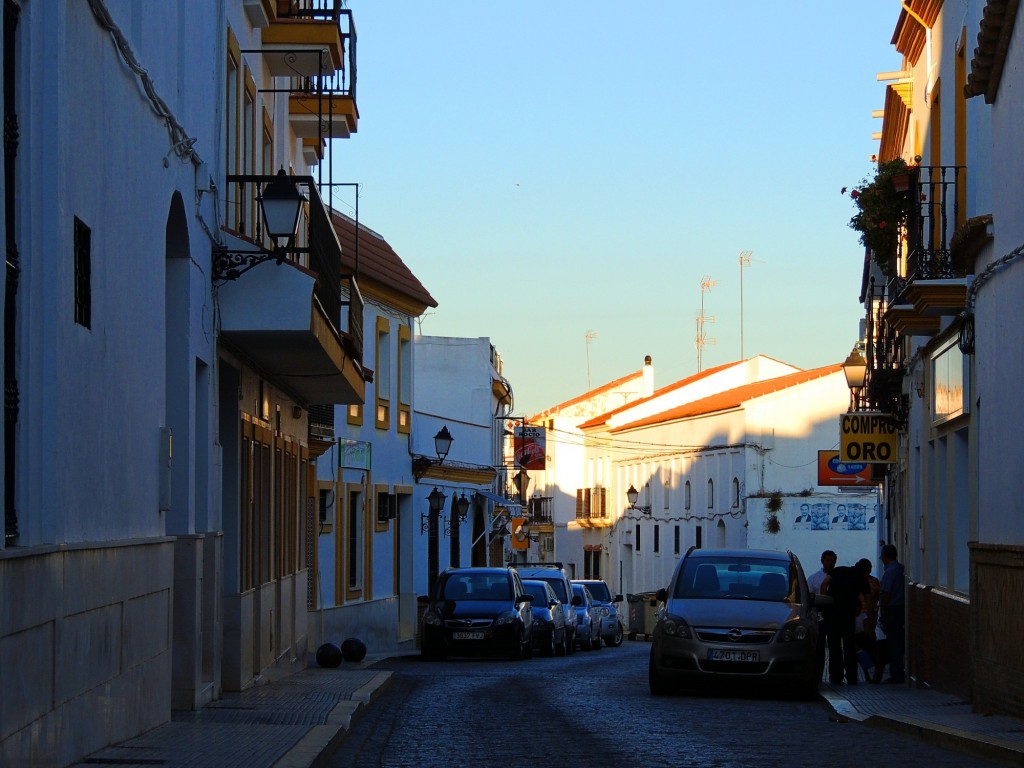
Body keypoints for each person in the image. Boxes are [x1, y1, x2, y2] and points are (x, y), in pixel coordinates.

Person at [821, 558, 870, 685]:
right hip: (848, 615)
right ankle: (851, 675)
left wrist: (825, 603)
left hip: (832, 613)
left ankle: (835, 675)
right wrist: (869, 617)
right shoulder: (863, 579)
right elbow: (869, 600)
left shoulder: (839, 570)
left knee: (834, 646)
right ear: (866, 572)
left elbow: (824, 583)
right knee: (849, 645)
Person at [807, 550, 836, 682]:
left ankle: (834, 674)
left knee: (834, 645)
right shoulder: (814, 578)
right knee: (818, 647)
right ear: (822, 561)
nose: (830, 563)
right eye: (828, 560)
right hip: (818, 616)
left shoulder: (838, 576)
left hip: (833, 616)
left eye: (832, 560)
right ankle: (817, 674)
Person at [879, 543, 906, 683]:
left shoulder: (890, 572)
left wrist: (882, 608)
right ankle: (899, 670)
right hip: (901, 608)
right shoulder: (901, 569)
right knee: (898, 641)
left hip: (892, 609)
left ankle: (896, 673)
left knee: (893, 642)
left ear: (885, 556)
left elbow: (886, 592)